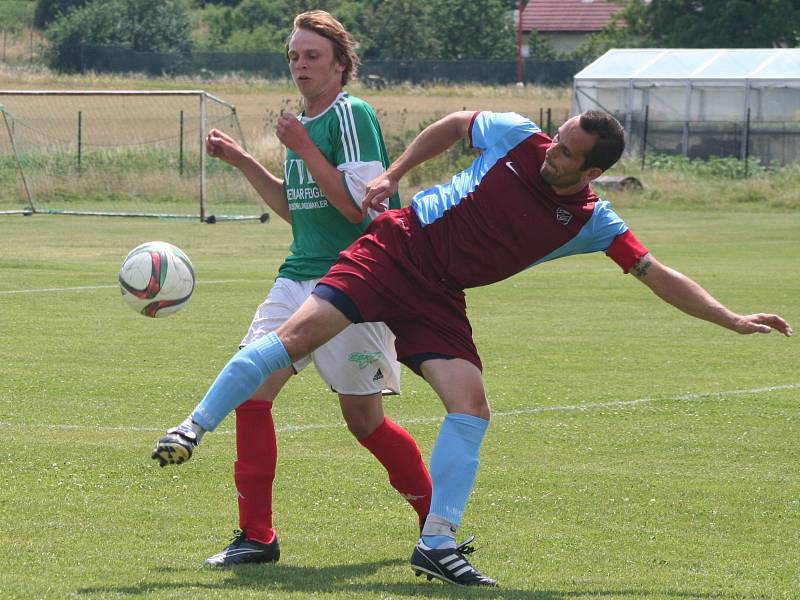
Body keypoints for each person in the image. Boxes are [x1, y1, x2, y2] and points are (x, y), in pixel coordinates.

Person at [153, 108, 793, 585]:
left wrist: (730, 318)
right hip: (396, 246)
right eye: (559, 138)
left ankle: (436, 543)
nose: (553, 152)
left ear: (592, 171)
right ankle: (190, 429)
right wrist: (398, 172)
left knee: (471, 404)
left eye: (568, 153)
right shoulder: (518, 134)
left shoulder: (591, 220)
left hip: (438, 293)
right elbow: (459, 122)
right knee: (292, 337)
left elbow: (657, 273)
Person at [151, 10, 432, 567]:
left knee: (364, 422)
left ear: (340, 64)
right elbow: (297, 208)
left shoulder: (350, 116)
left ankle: (437, 525)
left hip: (357, 279)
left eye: (311, 56)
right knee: (253, 391)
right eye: (293, 56)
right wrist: (244, 161)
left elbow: (358, 209)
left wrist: (304, 146)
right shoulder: (301, 121)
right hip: (298, 273)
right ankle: (257, 536)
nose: (299, 65)